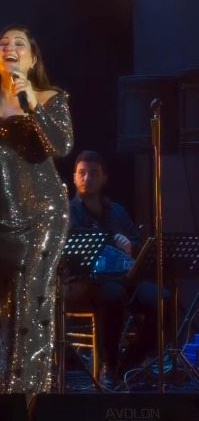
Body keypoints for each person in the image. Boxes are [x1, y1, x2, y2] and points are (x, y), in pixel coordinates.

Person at [0, 24, 74, 402]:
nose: (10, 47)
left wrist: (32, 106)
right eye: (3, 43)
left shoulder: (50, 97)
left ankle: (28, 399)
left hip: (44, 213)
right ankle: (4, 395)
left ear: (32, 58)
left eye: (19, 43)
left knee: (32, 301)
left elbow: (62, 146)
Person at [67, 150, 168, 389]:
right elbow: (70, 251)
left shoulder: (118, 211)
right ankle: (109, 365)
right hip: (85, 284)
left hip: (124, 280)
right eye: (82, 173)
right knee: (112, 295)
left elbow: (138, 247)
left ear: (104, 178)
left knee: (165, 301)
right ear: (74, 177)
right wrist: (111, 242)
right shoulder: (67, 211)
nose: (87, 178)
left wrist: (130, 246)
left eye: (94, 173)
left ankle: (129, 364)